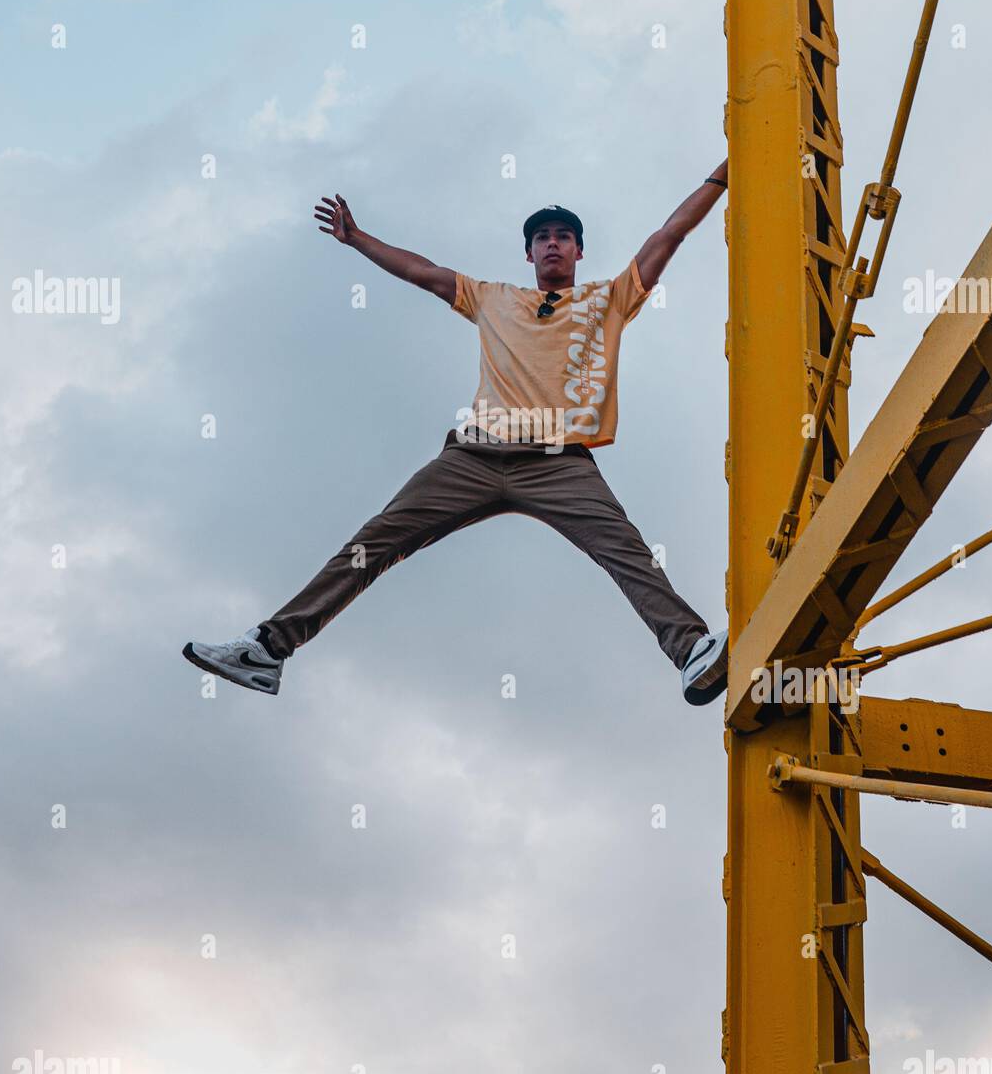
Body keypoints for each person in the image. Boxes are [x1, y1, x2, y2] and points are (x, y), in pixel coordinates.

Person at [183, 158, 732, 705]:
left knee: (627, 551)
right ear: (529, 253)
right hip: (473, 458)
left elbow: (670, 234)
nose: (553, 244)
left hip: (559, 463)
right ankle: (267, 649)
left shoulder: (607, 300)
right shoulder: (494, 298)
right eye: (542, 237)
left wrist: (722, 178)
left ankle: (691, 652)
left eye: (565, 237)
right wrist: (358, 240)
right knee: (371, 543)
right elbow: (423, 272)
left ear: (579, 251)